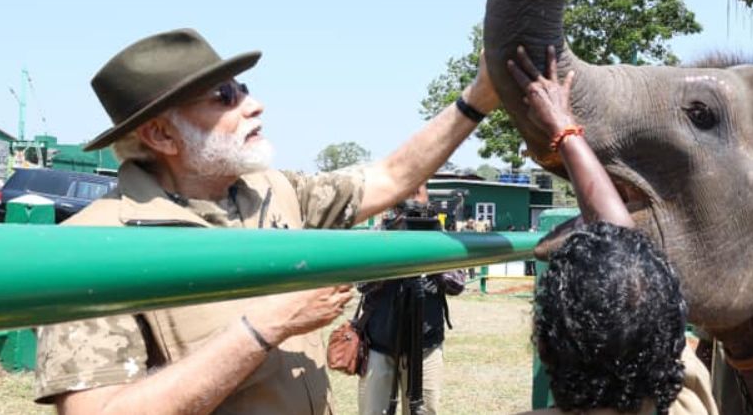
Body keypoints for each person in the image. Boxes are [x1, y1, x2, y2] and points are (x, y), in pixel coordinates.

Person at [33, 28, 498, 415]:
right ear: (161, 134)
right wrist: (264, 328)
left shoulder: (277, 192)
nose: (254, 105)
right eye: (224, 96)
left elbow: (391, 175)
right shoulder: (92, 246)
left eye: (245, 89)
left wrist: (478, 97)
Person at [507, 45, 718, 415]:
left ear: (544, 348)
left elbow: (623, 241)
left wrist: (561, 131)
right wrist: (566, 130)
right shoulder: (688, 404)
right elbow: (623, 239)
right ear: (672, 349)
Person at [357, 185, 465, 415]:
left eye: (419, 189)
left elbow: (458, 284)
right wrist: (393, 250)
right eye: (408, 188)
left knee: (425, 410)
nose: (413, 195)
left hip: (426, 345)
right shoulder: (379, 233)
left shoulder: (440, 235)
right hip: (380, 343)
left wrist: (434, 261)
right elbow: (361, 283)